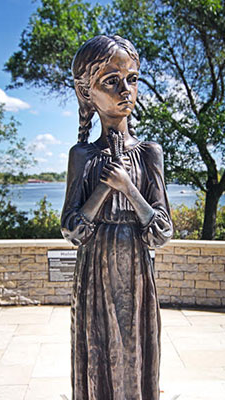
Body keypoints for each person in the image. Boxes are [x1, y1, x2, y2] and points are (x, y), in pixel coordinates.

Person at [61, 35, 173, 400]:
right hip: (95, 269)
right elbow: (72, 229)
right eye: (111, 81)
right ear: (86, 92)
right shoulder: (82, 156)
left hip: (138, 271)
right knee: (98, 345)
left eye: (132, 79)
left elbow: (161, 231)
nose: (125, 89)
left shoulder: (150, 153)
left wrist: (128, 188)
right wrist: (101, 191)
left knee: (135, 344)